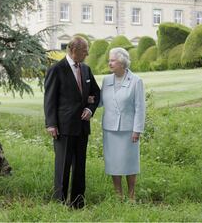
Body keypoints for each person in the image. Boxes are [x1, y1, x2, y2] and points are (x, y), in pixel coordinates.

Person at [44, 36, 100, 209]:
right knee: (63, 167)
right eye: (85, 50)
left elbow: (96, 94)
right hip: (63, 127)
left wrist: (90, 108)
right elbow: (49, 99)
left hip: (82, 128)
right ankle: (59, 203)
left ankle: (77, 203)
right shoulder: (56, 69)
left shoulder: (86, 69)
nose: (87, 53)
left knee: (80, 167)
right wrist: (51, 124)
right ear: (73, 50)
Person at [99, 47, 145, 200]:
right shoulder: (106, 80)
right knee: (114, 163)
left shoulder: (136, 81)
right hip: (110, 129)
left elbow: (140, 108)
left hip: (128, 130)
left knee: (130, 162)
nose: (109, 63)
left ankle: (131, 195)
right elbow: (99, 102)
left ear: (122, 62)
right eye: (109, 60)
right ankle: (118, 195)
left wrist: (137, 130)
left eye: (112, 60)